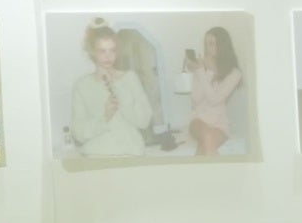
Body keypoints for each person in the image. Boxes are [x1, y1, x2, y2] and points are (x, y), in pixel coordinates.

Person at [65, 20, 159, 160]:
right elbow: (78, 133)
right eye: (102, 51)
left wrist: (120, 87)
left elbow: (144, 121)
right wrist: (105, 117)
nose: (108, 56)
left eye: (112, 50)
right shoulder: (81, 86)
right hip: (97, 157)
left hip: (132, 154)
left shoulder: (130, 78)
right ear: (92, 52)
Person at [182, 25, 243, 158]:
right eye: (207, 44)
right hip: (198, 120)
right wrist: (205, 72)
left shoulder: (235, 73)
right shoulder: (201, 68)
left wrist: (205, 71)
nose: (208, 48)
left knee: (206, 143)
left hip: (220, 123)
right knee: (207, 137)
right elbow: (196, 99)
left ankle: (203, 171)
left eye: (212, 44)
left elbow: (215, 100)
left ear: (222, 45)